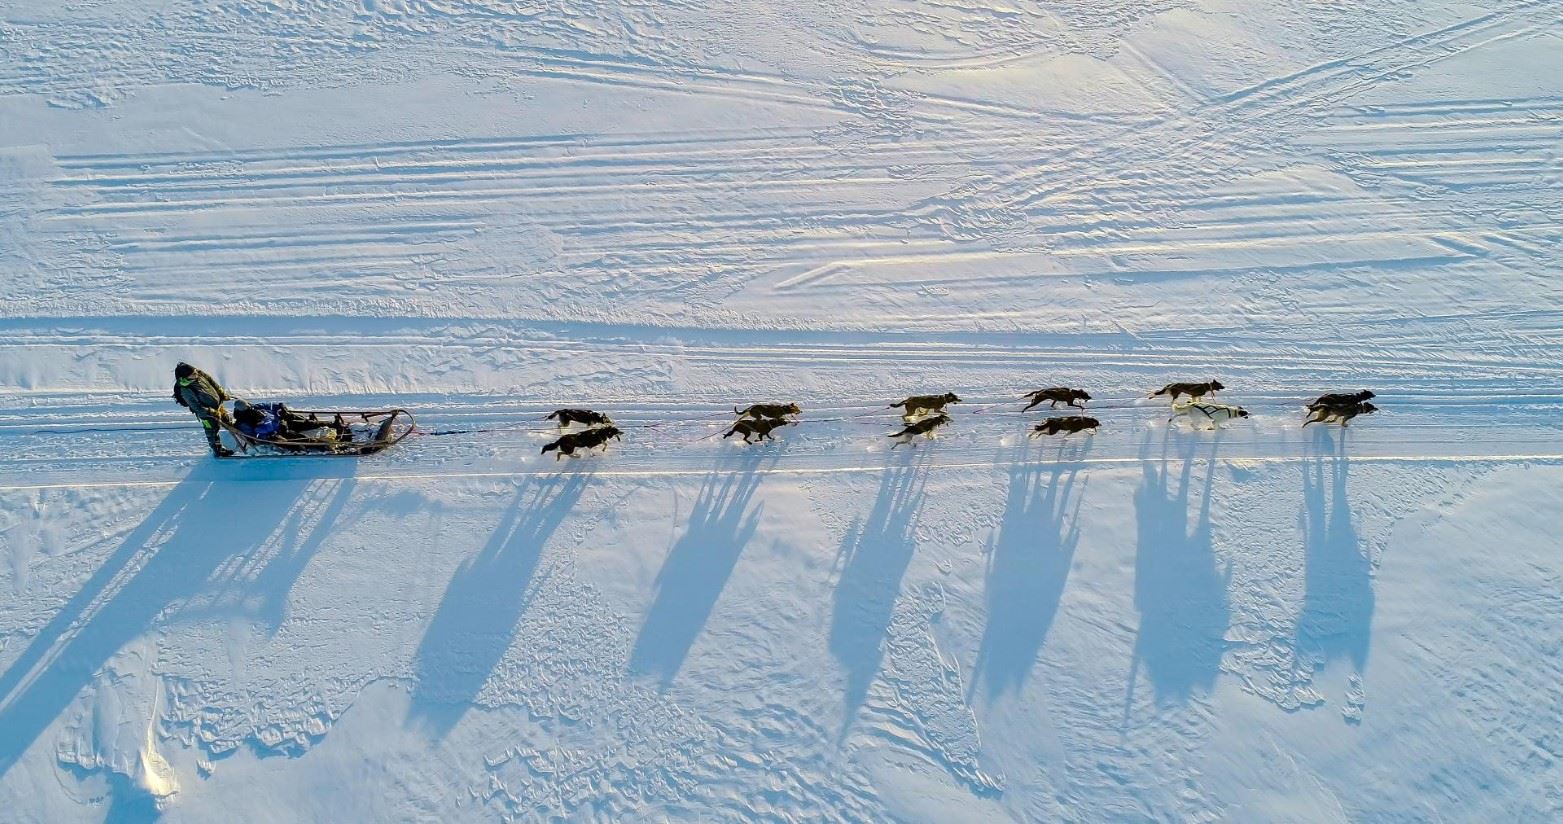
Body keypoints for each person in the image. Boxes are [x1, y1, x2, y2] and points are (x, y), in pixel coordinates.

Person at [232, 400, 347, 444]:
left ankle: (332, 425)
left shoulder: (254, 408)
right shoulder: (243, 423)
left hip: (280, 422)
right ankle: (321, 444)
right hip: (276, 433)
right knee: (297, 437)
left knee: (301, 421)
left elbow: (270, 405)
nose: (250, 409)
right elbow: (253, 435)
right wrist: (269, 435)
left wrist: (281, 408)